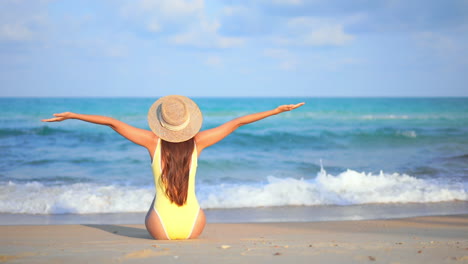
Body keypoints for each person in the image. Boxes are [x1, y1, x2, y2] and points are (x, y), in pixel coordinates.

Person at [42, 95, 304, 240]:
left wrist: (74, 115)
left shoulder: (151, 141)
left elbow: (113, 123)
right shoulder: (199, 142)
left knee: (156, 198)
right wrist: (275, 111)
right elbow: (236, 123)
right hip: (194, 225)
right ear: (188, 123)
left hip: (160, 228)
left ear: (160, 123)